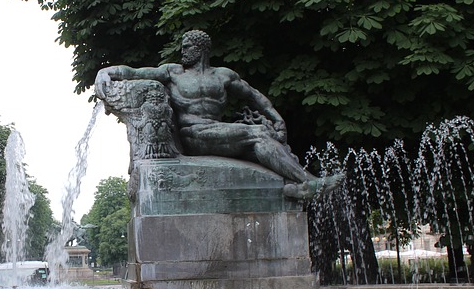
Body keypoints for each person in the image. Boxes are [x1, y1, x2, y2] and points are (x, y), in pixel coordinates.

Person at [94, 30, 341, 199]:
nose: (183, 51)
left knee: (262, 136)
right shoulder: (173, 72)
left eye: (187, 47)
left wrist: (277, 118)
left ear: (201, 49)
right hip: (193, 134)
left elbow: (254, 96)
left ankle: (295, 186)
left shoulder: (223, 75)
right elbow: (136, 72)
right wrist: (108, 71)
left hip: (219, 134)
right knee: (255, 134)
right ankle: (307, 181)